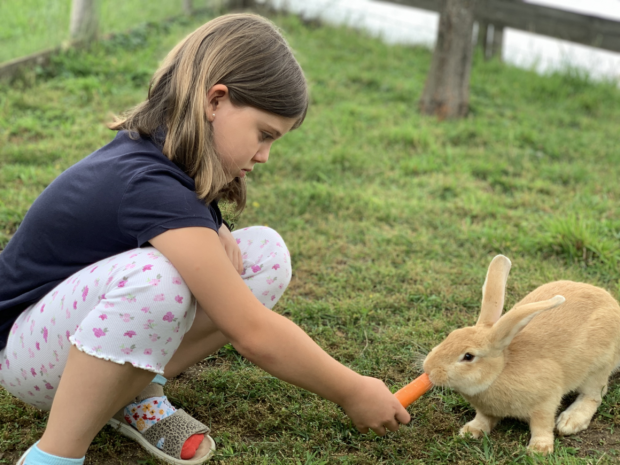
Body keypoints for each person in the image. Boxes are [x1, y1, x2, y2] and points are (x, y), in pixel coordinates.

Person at [0, 13, 410, 465]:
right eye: (264, 134)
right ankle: (54, 454)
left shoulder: (167, 155)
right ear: (216, 101)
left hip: (68, 335)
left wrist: (216, 225)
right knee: (159, 280)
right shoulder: (148, 184)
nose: (265, 156)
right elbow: (250, 331)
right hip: (24, 353)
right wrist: (352, 389)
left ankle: (131, 396)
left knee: (263, 256)